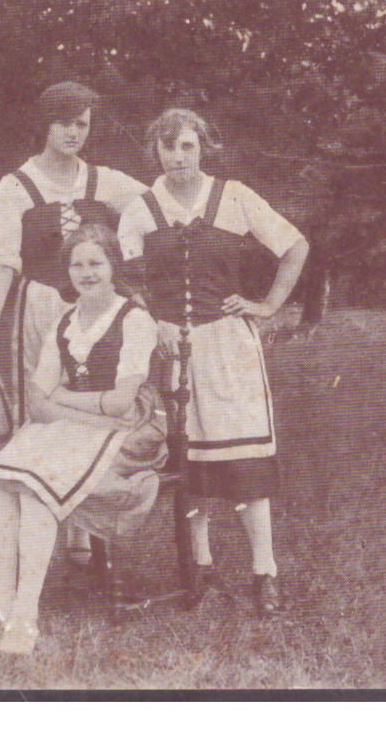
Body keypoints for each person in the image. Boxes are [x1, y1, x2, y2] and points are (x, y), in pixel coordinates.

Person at [117, 108, 310, 615]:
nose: (177, 157)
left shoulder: (235, 197)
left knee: (245, 461)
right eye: (167, 147)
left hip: (227, 348)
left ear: (203, 147)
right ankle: (198, 566)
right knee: (188, 461)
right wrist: (150, 318)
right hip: (171, 352)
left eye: (187, 146)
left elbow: (295, 247)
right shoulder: (140, 210)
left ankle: (265, 571)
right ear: (154, 152)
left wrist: (267, 305)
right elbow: (130, 284)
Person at [0, 225, 167, 655]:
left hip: (135, 429)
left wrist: (64, 402)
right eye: (77, 264)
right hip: (85, 424)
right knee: (0, 483)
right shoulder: (65, 321)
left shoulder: (135, 319)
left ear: (112, 267)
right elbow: (38, 400)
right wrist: (73, 409)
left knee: (35, 492)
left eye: (95, 263)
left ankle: (25, 617)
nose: (86, 273)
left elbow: (122, 402)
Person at [0, 82, 147, 432]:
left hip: (99, 306)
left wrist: (128, 268)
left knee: (94, 392)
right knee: (39, 400)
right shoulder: (14, 187)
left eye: (81, 124)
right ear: (45, 124)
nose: (73, 132)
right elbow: (3, 262)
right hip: (38, 307)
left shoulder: (105, 180)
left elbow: (157, 210)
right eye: (63, 122)